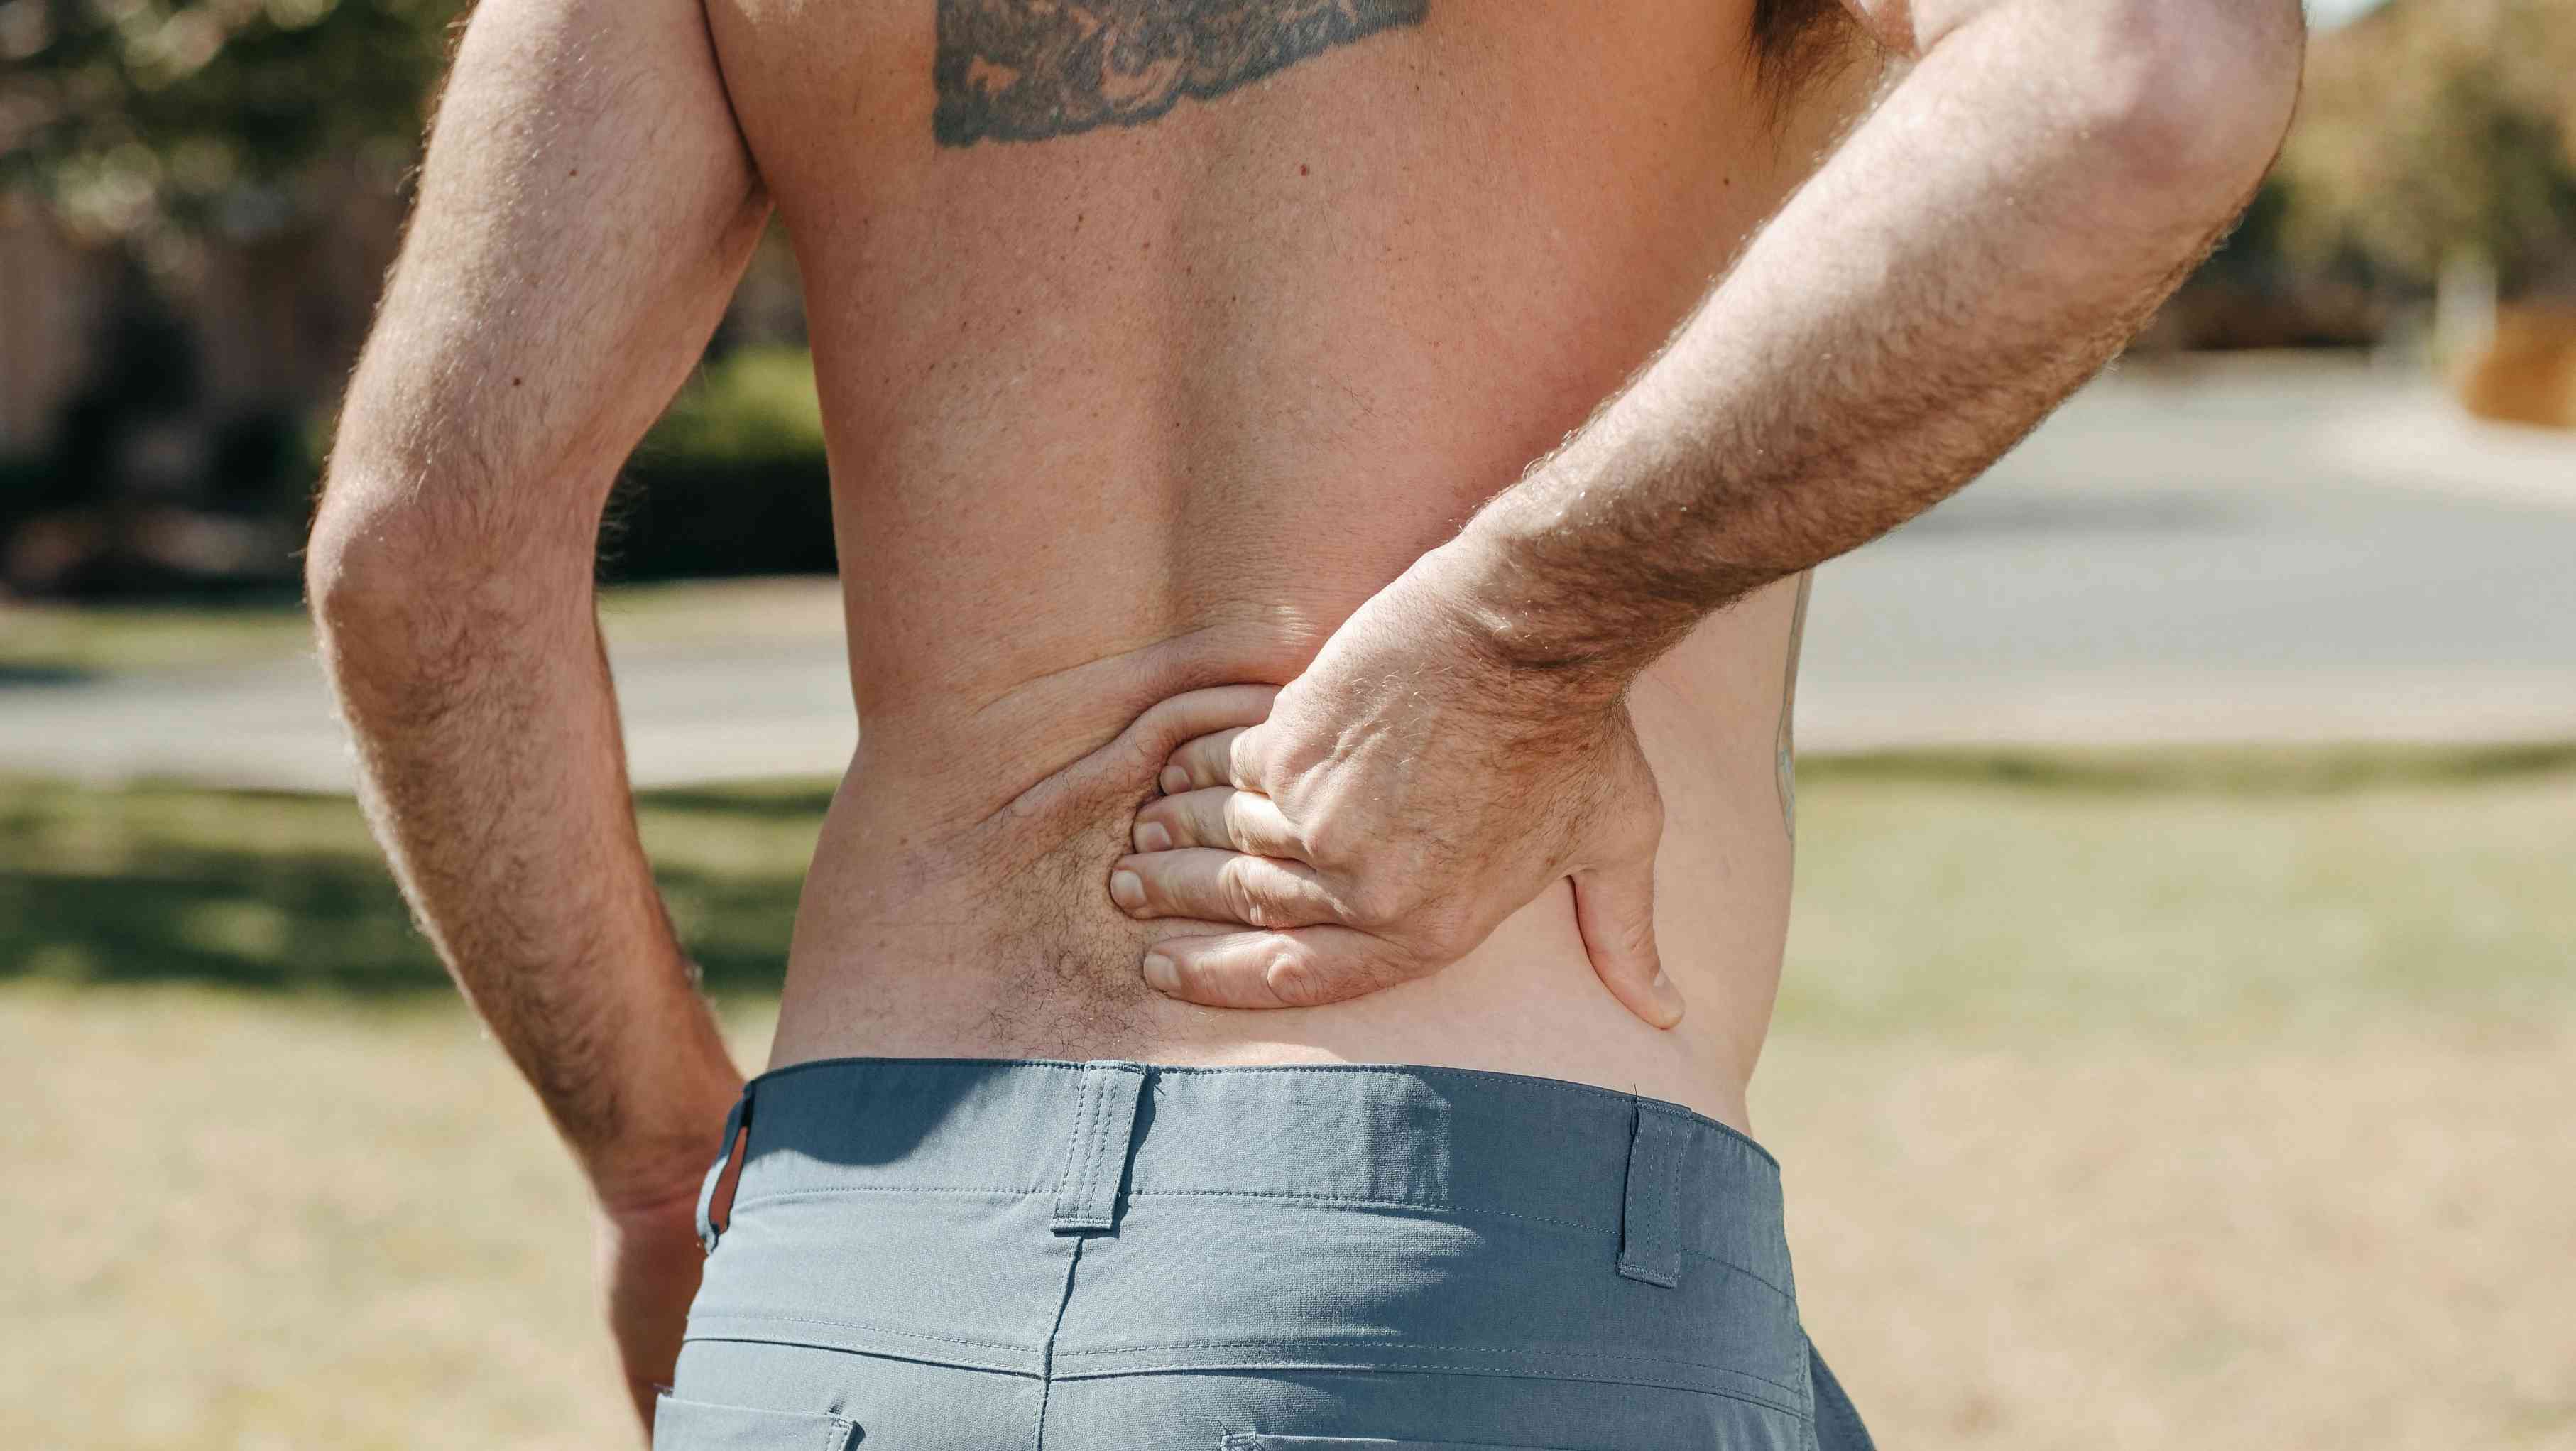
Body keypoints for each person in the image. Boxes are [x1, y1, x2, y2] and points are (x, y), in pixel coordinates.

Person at [307, 0, 2303, 1445]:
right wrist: (1520, 630)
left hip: (847, 1270)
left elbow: (420, 549)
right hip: (1462, 1252)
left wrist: (659, 1172)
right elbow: (2143, 69)